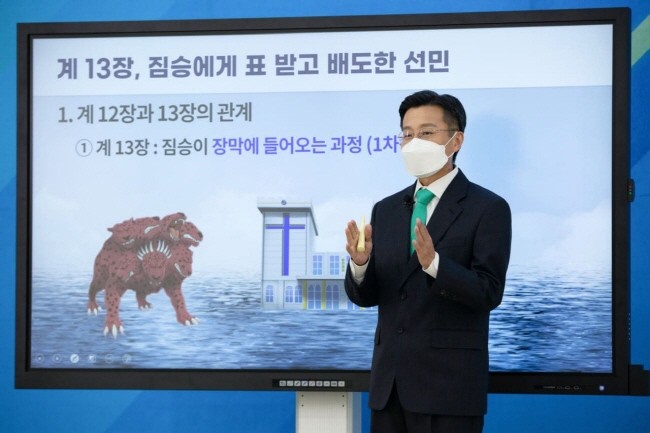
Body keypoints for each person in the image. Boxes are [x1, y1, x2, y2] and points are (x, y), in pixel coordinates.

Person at [344, 90, 512, 433]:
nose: (414, 142)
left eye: (426, 132)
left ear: (456, 140)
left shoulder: (487, 208)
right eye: (407, 134)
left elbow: (488, 292)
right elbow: (370, 296)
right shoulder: (387, 209)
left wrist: (435, 265)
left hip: (448, 389)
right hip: (389, 389)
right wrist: (361, 266)